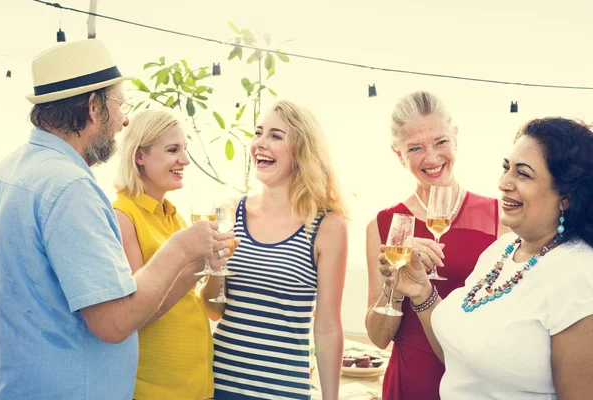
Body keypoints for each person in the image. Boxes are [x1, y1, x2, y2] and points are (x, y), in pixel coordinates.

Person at [0, 39, 231, 400]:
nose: (124, 120)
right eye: (120, 104)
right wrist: (181, 249)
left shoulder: (12, 168)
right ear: (93, 107)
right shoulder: (70, 187)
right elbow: (114, 322)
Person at [382, 117, 593, 399]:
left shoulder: (578, 275)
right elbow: (460, 359)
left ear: (566, 196)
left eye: (523, 174)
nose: (504, 183)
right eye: (506, 168)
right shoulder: (502, 249)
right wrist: (421, 291)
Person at [365, 91, 508, 400]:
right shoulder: (384, 225)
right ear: (398, 154)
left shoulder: (500, 219)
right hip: (408, 382)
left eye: (440, 142)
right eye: (415, 148)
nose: (431, 158)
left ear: (455, 137)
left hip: (475, 386)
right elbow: (378, 338)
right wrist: (395, 286)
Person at [202, 100, 348, 400]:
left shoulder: (327, 226)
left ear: (302, 151)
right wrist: (215, 270)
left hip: (285, 391)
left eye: (275, 136)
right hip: (219, 385)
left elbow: (328, 327)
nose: (260, 144)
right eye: (258, 133)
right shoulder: (230, 212)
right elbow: (213, 309)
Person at [114, 109, 224, 399]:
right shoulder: (123, 216)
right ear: (140, 156)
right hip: (155, 388)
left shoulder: (173, 216)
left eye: (184, 149)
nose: (185, 160)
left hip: (197, 384)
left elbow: (202, 303)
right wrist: (192, 264)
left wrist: (214, 268)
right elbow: (134, 315)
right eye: (173, 150)